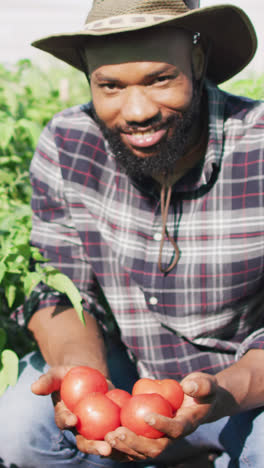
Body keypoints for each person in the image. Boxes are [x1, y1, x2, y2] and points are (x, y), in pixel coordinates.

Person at [1, 0, 264, 467]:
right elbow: (56, 282)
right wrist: (83, 380)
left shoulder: (257, 147)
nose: (138, 111)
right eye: (111, 86)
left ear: (197, 63)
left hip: (246, 389)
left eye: (160, 79)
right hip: (127, 376)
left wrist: (226, 392)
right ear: (88, 79)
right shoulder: (69, 143)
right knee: (21, 430)